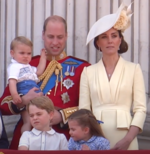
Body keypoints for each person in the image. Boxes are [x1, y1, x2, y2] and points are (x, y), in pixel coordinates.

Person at [0, 15, 90, 149]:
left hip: (63, 140)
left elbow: (88, 108)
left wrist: (62, 115)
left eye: (59, 37)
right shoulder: (28, 64)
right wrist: (23, 101)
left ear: (66, 36)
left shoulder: (82, 68)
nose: (55, 42)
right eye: (50, 37)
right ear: (43, 35)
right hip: (27, 142)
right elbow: (3, 105)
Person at [78, 3, 147, 150]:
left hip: (126, 137)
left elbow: (140, 109)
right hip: (95, 138)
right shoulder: (88, 72)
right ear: (98, 43)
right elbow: (83, 111)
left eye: (114, 36)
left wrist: (128, 139)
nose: (110, 40)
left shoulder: (134, 69)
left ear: (119, 40)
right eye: (104, 37)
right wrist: (88, 140)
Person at [7, 36, 47, 134]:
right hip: (24, 91)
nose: (26, 56)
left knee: (42, 119)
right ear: (12, 53)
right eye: (22, 53)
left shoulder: (29, 67)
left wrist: (43, 57)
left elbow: (39, 71)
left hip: (35, 90)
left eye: (28, 53)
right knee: (28, 121)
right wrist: (15, 95)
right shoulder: (14, 66)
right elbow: (12, 82)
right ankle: (24, 141)